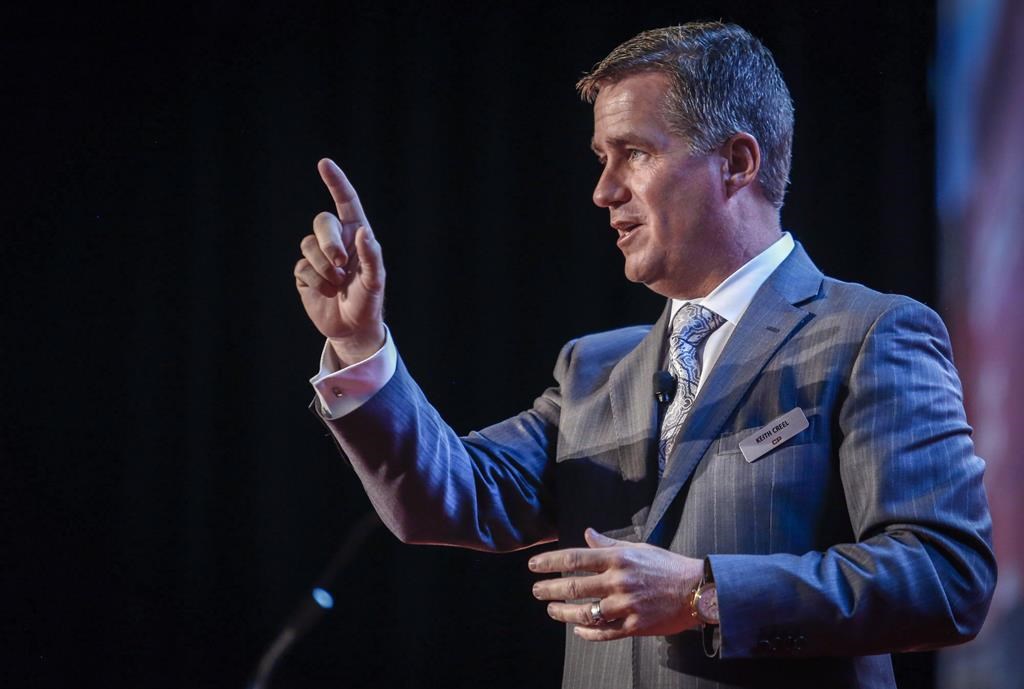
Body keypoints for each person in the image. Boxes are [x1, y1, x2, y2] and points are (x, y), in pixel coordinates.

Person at [293, 22, 995, 689]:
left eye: (635, 152)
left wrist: (704, 591)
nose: (604, 192)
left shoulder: (869, 333)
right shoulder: (593, 369)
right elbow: (449, 497)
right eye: (603, 159)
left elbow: (946, 575)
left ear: (737, 162)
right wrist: (360, 344)